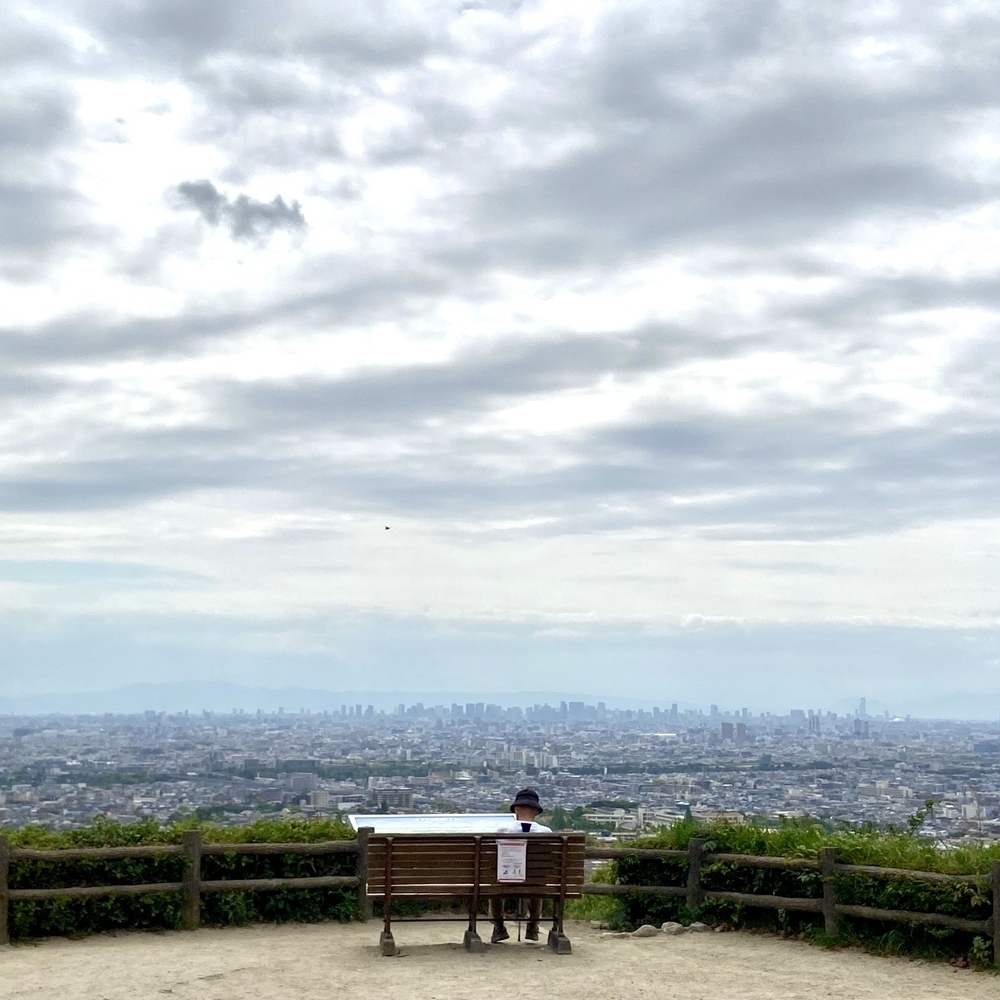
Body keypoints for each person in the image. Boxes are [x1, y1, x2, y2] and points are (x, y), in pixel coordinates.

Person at [491, 788, 551, 943]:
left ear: (516, 809)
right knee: (537, 881)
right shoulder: (546, 832)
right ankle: (532, 925)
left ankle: (499, 927)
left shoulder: (503, 830)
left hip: (505, 879)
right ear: (536, 811)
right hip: (535, 881)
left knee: (495, 885)